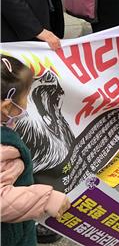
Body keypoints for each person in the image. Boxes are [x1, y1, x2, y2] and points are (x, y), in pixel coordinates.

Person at [1, 55, 71, 246]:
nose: (26, 104)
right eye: (26, 97)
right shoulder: (3, 146)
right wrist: (45, 199)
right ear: (7, 107)